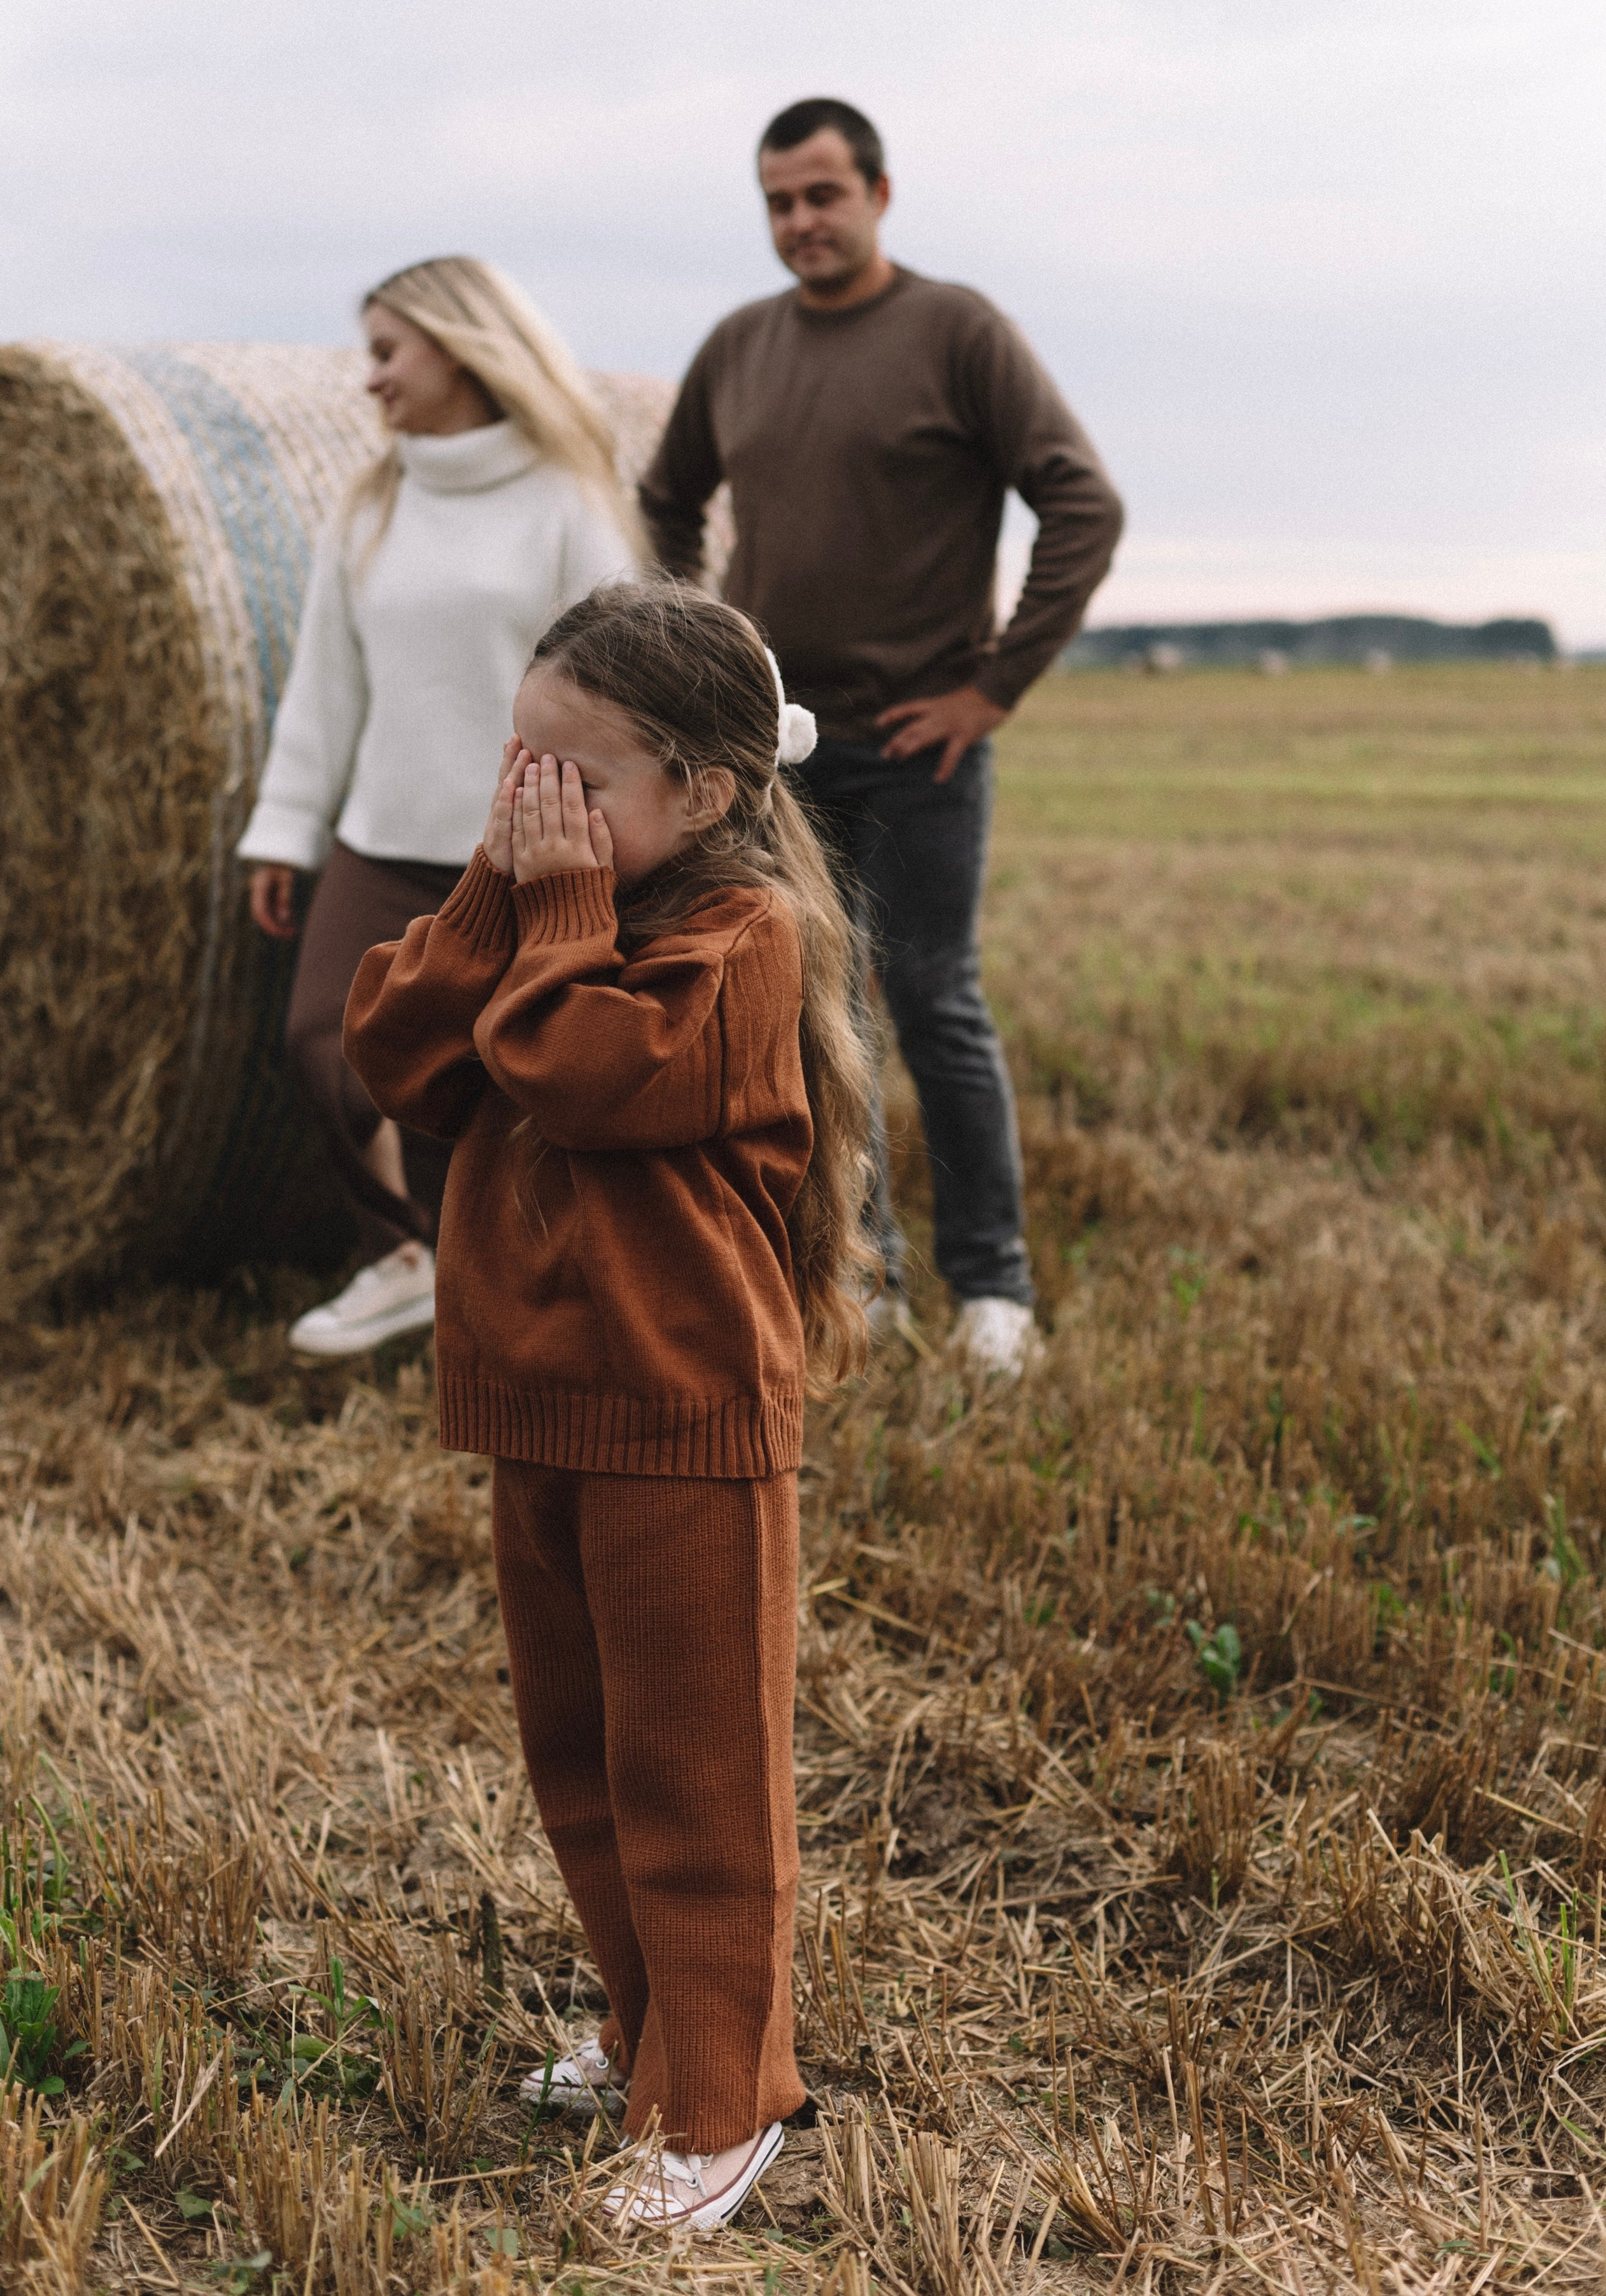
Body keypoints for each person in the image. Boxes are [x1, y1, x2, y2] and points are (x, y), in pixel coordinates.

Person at [342, 582, 871, 2230]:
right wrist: (510, 895)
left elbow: (578, 1075)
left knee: (694, 1773)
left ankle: (725, 2102)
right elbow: (401, 1056)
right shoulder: (563, 914)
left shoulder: (737, 944)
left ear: (704, 794)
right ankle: (648, 2030)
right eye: (523, 763)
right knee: (581, 1760)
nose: (535, 803)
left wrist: (549, 910)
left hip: (682, 1411)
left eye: (577, 780)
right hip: (545, 1406)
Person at [638, 98, 1125, 1375]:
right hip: (775, 758)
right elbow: (667, 499)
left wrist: (993, 686)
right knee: (807, 1016)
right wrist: (702, 650)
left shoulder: (955, 331)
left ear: (877, 194)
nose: (799, 221)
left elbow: (1081, 504)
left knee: (931, 1002)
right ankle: (866, 1277)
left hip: (922, 746)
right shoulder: (736, 346)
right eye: (777, 203)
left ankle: (991, 1291)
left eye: (821, 196)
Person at [238, 255, 640, 1356]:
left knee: (507, 1075)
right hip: (380, 832)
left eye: (383, 352)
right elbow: (328, 681)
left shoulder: (565, 496)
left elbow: (619, 669)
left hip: (524, 843)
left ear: (456, 347)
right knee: (325, 1040)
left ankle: (502, 1288)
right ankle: (401, 1257)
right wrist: (287, 826)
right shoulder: (374, 501)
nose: (367, 379)